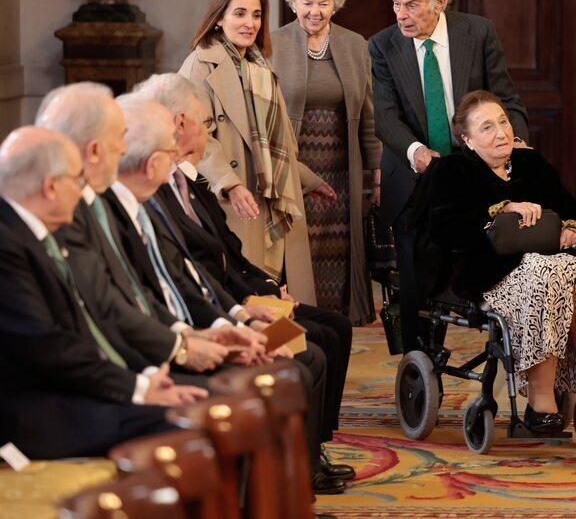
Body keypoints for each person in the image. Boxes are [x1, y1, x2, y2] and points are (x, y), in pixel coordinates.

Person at [133, 72, 356, 485]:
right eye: (205, 121)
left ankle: (312, 452)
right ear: (181, 123)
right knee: (311, 347)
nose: (208, 131)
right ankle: (299, 470)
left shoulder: (190, 183)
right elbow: (183, 280)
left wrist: (267, 290)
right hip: (213, 318)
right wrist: (236, 317)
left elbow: (228, 254)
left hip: (236, 301)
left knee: (335, 327)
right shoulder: (156, 195)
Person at [0, 126, 206, 459]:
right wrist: (138, 389)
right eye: (77, 181)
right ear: (51, 187)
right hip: (34, 413)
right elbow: (48, 345)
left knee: (200, 414)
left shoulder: (30, 233)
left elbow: (89, 327)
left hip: (72, 389)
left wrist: (145, 377)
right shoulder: (8, 243)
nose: (83, 192)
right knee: (190, 424)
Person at [426, 91, 576, 433]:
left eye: (503, 121)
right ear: (467, 140)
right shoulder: (452, 170)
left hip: (551, 272)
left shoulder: (532, 165)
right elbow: (442, 228)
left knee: (573, 266)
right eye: (486, 127)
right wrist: (504, 209)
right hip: (489, 274)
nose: (501, 132)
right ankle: (540, 399)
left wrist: (574, 231)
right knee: (549, 270)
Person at [370, 0, 529, 351]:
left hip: (471, 175)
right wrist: (418, 153)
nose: (401, 15)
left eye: (411, 5)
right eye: (396, 4)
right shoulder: (383, 45)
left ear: (440, 2)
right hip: (413, 177)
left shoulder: (476, 33)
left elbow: (505, 98)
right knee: (415, 284)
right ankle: (419, 368)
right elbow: (386, 119)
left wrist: (515, 140)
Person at [38, 82, 232, 375]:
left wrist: (186, 336)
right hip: (123, 370)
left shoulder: (96, 201)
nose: (124, 149)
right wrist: (170, 357)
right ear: (94, 150)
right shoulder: (70, 213)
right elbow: (101, 312)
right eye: (118, 138)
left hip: (150, 351)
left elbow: (137, 291)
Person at [179, 0, 335, 306]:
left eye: (257, 15)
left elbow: (276, 142)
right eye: (240, 13)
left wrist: (308, 179)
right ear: (219, 17)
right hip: (233, 198)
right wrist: (230, 184)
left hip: (271, 194)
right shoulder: (199, 64)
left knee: (285, 303)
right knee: (253, 300)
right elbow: (196, 136)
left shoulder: (260, 66)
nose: (250, 23)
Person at [272, 0, 382, 325]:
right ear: (292, 2)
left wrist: (375, 172)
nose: (315, 12)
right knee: (296, 250)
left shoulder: (355, 45)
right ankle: (299, 324)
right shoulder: (271, 45)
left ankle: (336, 326)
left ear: (336, 2)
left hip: (341, 165)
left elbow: (368, 115)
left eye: (323, 3)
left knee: (338, 251)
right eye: (307, 3)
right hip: (292, 166)